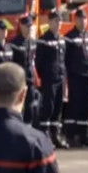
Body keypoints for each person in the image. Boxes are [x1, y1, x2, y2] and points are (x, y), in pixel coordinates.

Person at [63, 7, 88, 148]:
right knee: (75, 106)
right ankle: (71, 135)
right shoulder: (69, 37)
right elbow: (65, 59)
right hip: (75, 76)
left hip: (87, 76)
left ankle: (84, 135)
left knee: (86, 106)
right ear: (75, 20)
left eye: (84, 19)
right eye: (79, 19)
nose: (82, 21)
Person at [36, 10, 67, 148]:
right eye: (55, 21)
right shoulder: (44, 39)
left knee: (58, 108)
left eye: (59, 21)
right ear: (49, 22)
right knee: (48, 107)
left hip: (60, 78)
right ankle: (45, 135)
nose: (58, 24)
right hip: (49, 79)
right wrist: (45, 76)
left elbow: (63, 60)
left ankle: (56, 135)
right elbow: (39, 62)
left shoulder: (61, 39)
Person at [10, 16, 38, 125]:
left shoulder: (33, 42)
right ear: (21, 26)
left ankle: (28, 126)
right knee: (17, 105)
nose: (29, 28)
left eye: (30, 26)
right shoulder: (14, 43)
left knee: (30, 104)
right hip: (18, 79)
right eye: (27, 26)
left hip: (30, 78)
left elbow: (35, 60)